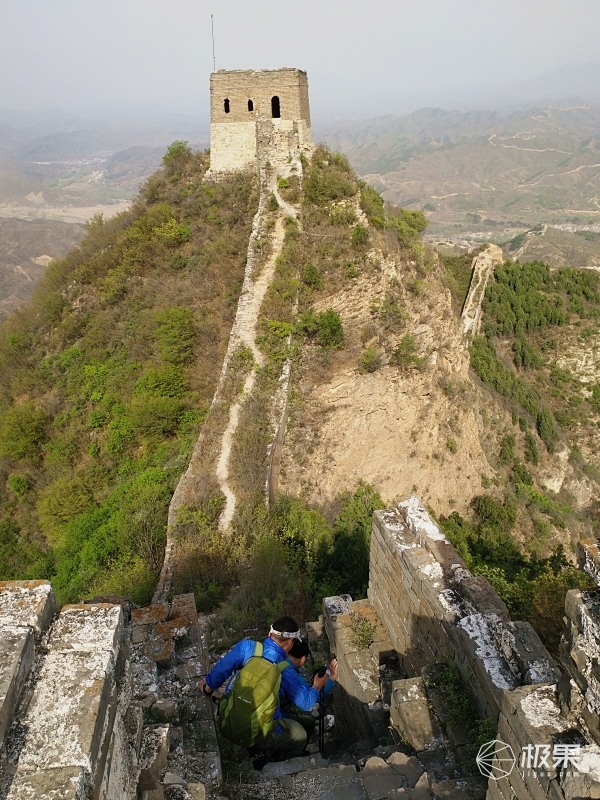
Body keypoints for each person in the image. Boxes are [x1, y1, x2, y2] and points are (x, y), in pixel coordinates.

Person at [199, 616, 328, 765]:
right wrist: (316, 686)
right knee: (301, 736)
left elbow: (221, 671)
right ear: (290, 643)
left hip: (229, 721)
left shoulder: (247, 647)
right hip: (260, 732)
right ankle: (279, 764)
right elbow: (305, 704)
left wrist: (207, 687)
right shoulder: (285, 669)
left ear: (269, 634)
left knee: (299, 721)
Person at [284, 639, 338, 745]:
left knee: (308, 722)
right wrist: (328, 679)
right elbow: (308, 702)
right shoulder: (294, 678)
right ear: (304, 658)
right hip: (276, 717)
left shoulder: (281, 661)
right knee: (300, 735)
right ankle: (291, 758)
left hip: (272, 711)